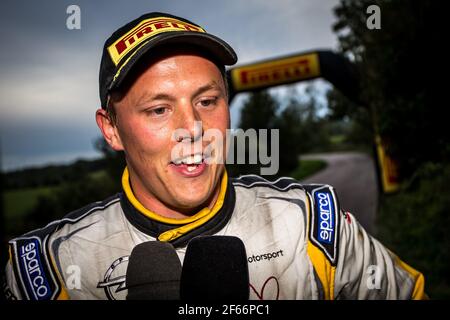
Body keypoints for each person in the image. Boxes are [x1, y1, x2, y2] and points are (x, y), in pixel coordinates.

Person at [2, 12, 426, 300]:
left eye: (207, 101)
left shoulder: (316, 226)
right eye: (159, 109)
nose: (194, 129)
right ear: (111, 128)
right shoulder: (45, 270)